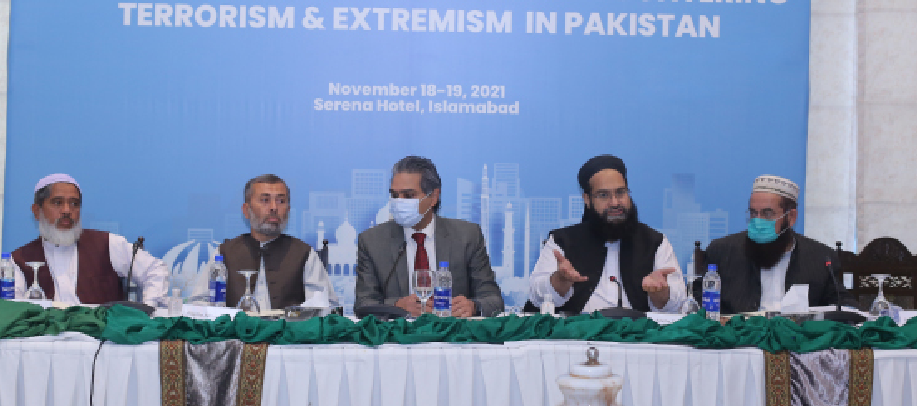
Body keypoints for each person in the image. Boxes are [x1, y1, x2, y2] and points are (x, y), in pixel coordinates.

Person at [528, 155, 686, 314]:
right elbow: (536, 297)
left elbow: (678, 305)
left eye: (621, 192)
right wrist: (560, 280)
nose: (615, 202)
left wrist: (660, 293)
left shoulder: (655, 242)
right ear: (587, 199)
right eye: (603, 195)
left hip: (638, 329)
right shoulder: (562, 241)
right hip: (578, 329)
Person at [355, 155, 504, 317]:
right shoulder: (372, 241)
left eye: (409, 195)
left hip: (452, 331)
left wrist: (474, 306)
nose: (399, 202)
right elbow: (363, 304)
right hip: (398, 332)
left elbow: (493, 299)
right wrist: (396, 306)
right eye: (395, 195)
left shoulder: (467, 236)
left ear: (433, 197)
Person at [12, 173, 169, 306]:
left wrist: (147, 309)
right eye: (57, 202)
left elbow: (155, 270)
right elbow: (11, 307)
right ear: (36, 211)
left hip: (102, 332)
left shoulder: (107, 244)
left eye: (74, 204)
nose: (67, 210)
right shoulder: (19, 259)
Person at [703, 174, 850, 313]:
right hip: (739, 330)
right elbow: (700, 301)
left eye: (767, 214)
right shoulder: (722, 251)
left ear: (791, 217)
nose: (758, 222)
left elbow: (842, 305)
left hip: (796, 331)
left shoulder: (820, 257)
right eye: (753, 213)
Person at [190, 173, 337, 309]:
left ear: (288, 210)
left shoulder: (304, 253)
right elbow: (198, 304)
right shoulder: (224, 253)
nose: (274, 208)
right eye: (265, 200)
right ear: (246, 210)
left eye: (281, 201)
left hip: (286, 328)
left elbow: (326, 306)